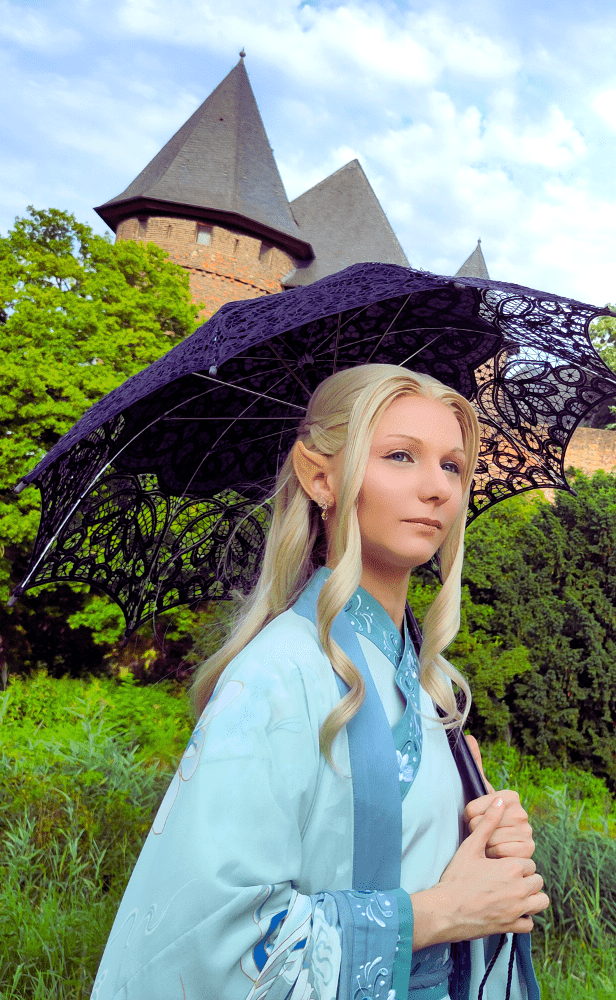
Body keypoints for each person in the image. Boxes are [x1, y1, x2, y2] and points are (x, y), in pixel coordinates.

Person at [92, 364, 548, 1000]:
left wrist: (485, 839)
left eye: (452, 465)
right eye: (399, 456)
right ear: (320, 477)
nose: (437, 488)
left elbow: (428, 869)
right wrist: (440, 914)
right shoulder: (280, 673)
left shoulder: (427, 682)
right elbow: (218, 942)